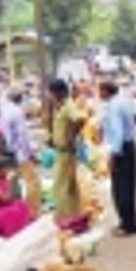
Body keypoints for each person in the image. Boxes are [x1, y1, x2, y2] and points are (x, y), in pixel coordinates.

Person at [98, 79, 136, 236]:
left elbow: (118, 132)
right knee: (129, 187)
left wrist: (113, 155)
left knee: (120, 189)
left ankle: (127, 225)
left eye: (100, 91)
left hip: (121, 149)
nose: (99, 94)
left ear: (107, 91)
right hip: (130, 146)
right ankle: (130, 223)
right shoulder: (123, 102)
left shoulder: (114, 107)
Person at [45, 78, 86, 226]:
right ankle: (74, 215)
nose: (49, 96)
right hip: (61, 151)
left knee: (61, 187)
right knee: (69, 186)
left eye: (50, 92)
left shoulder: (69, 105)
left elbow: (80, 119)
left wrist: (71, 135)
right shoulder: (59, 106)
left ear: (58, 92)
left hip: (66, 151)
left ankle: (64, 218)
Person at [0, 86, 41, 212]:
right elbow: (22, 137)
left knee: (13, 183)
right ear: (18, 97)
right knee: (33, 183)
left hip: (7, 152)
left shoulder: (3, 109)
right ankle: (32, 211)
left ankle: (18, 210)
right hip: (20, 153)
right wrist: (30, 154)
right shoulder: (16, 111)